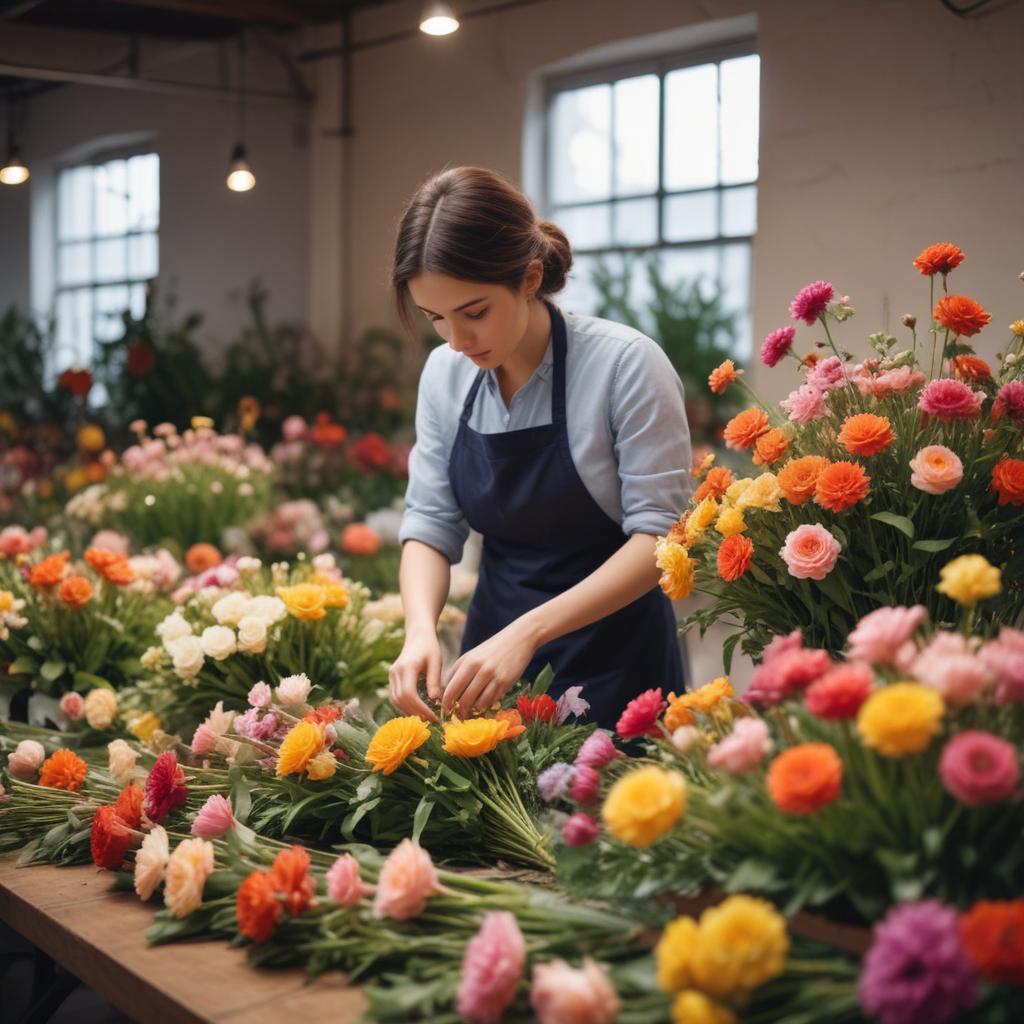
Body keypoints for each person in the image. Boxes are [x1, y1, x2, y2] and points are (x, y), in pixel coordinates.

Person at [388, 166, 691, 729]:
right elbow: (430, 522)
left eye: (475, 313)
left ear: (529, 278)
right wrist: (419, 631)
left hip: (618, 658)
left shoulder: (625, 365)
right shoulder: (445, 374)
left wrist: (528, 632)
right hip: (490, 659)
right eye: (436, 319)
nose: (457, 341)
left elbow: (660, 537)